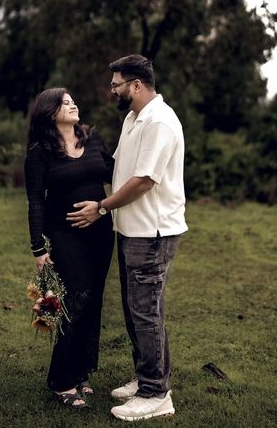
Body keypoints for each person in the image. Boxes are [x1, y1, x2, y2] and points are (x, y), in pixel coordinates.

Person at [67, 55, 188, 421]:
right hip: (131, 229)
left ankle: (155, 394)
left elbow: (144, 181)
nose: (112, 90)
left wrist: (102, 207)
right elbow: (116, 166)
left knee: (146, 312)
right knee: (139, 311)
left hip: (152, 232)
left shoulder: (160, 122)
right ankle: (147, 377)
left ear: (136, 85)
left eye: (117, 84)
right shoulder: (133, 117)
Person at [24, 87, 115, 409]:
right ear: (51, 113)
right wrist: (38, 248)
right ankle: (61, 380)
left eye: (73, 100)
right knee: (75, 299)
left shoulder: (92, 137)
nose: (73, 104)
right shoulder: (40, 150)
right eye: (65, 102)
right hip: (63, 233)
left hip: (101, 232)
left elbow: (113, 172)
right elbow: (35, 200)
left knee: (93, 302)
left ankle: (81, 371)